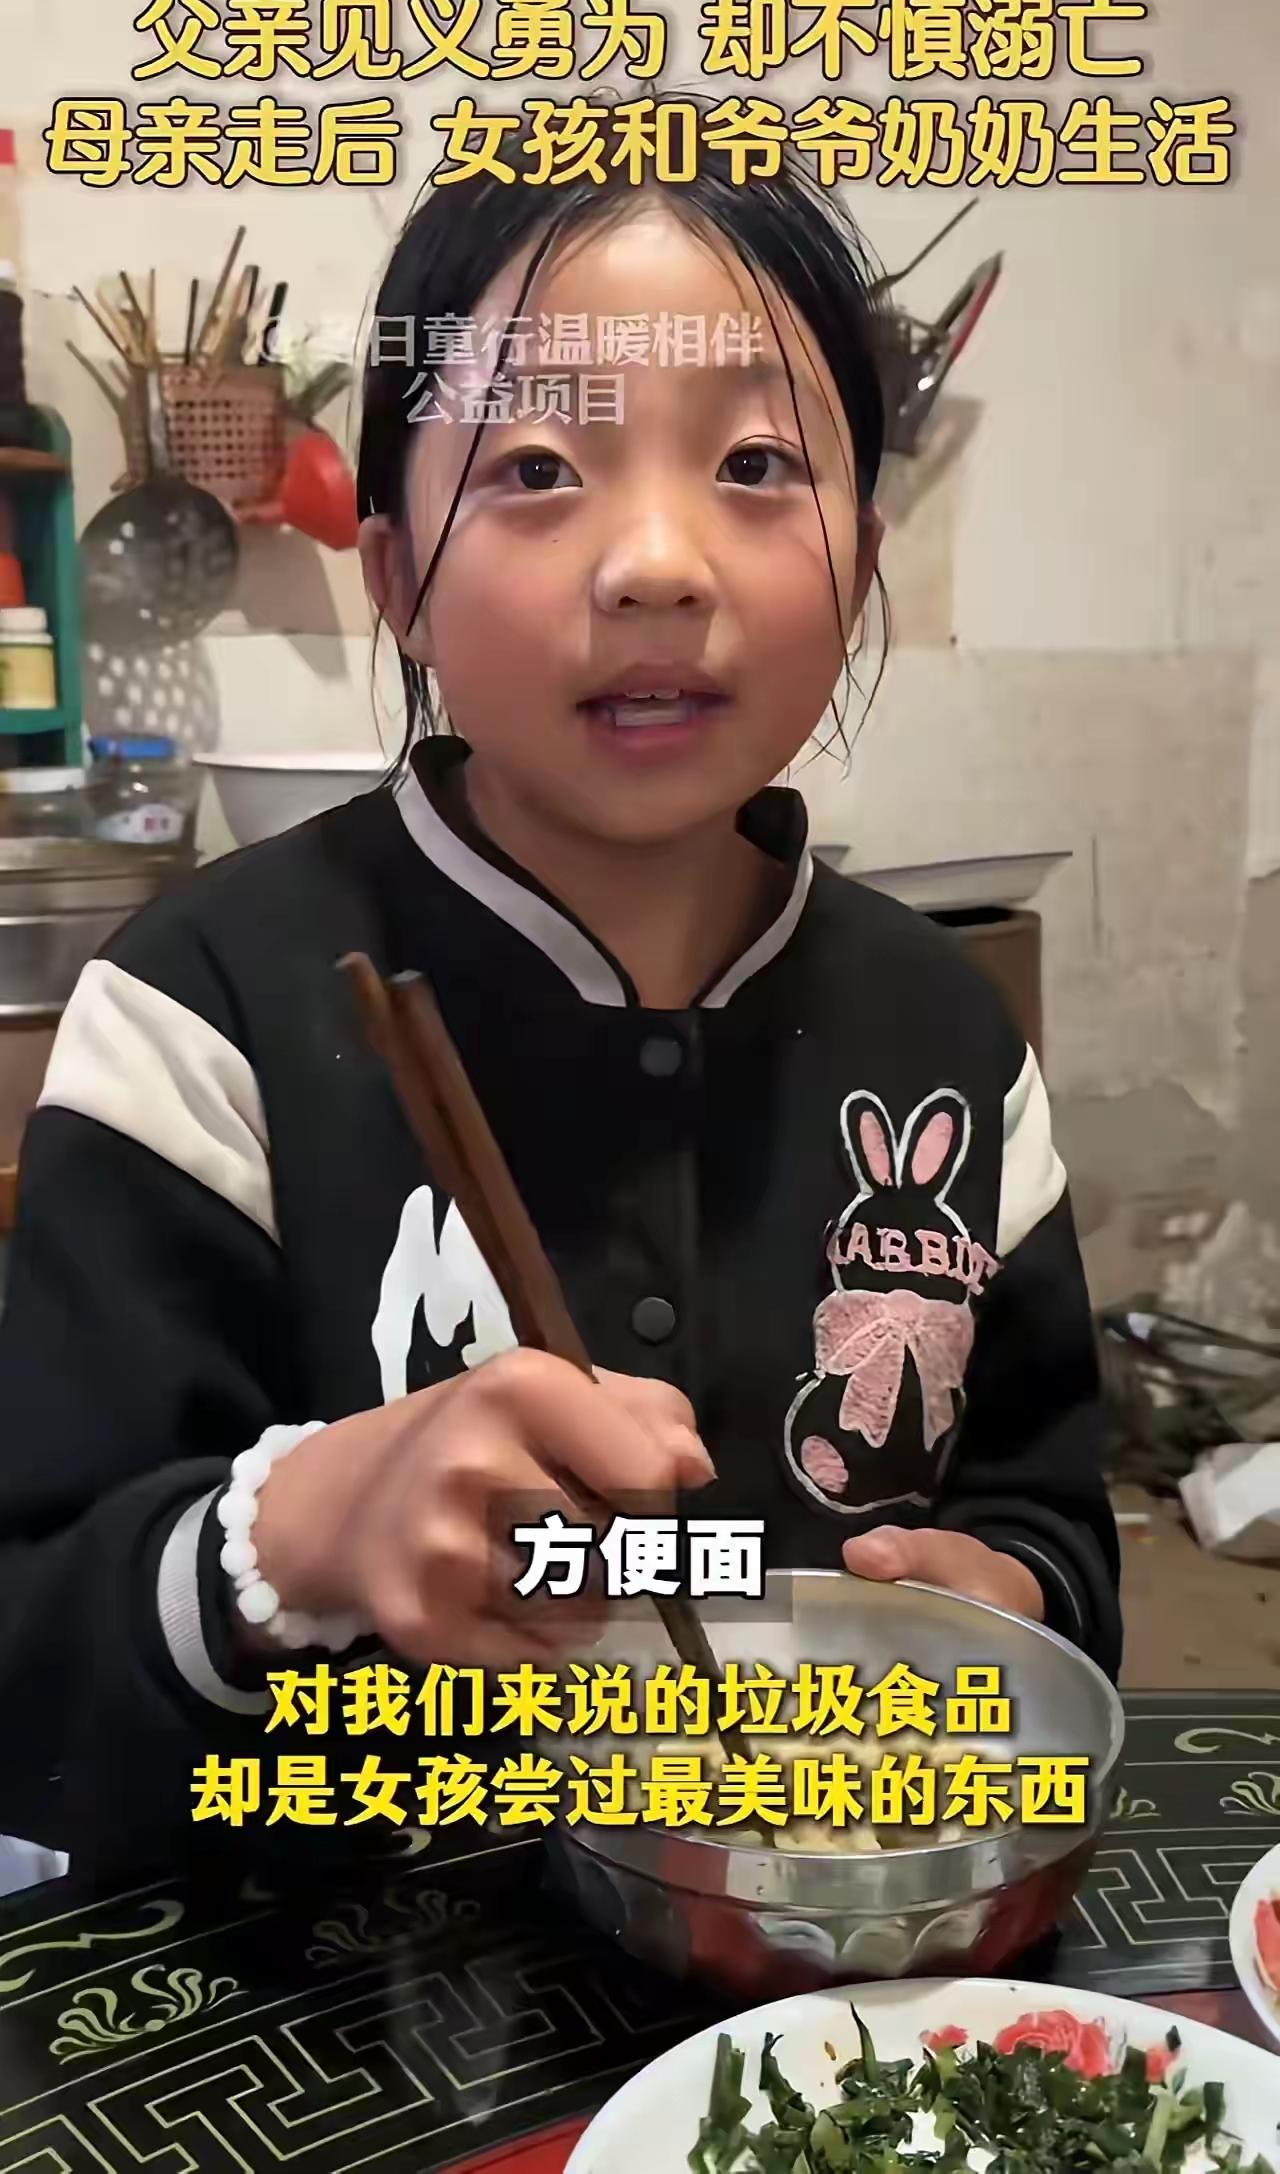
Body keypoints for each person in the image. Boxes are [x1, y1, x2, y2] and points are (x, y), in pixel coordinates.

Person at [0, 130, 1120, 1890]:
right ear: (395, 578)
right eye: (536, 466)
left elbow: (1054, 1533)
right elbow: (33, 1668)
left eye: (755, 463)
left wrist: (1001, 1602)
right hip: (346, 1967)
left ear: (862, 557)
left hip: (830, 1961)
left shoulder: (953, 1048)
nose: (658, 561)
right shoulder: (202, 1011)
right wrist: (302, 1532)